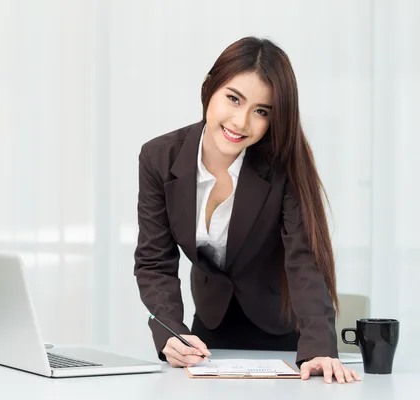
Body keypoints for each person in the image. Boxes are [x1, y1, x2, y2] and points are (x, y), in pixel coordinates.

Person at [133, 36, 360, 384]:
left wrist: (319, 347)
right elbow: (155, 262)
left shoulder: (282, 166)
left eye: (261, 111)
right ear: (210, 88)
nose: (241, 122)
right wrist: (169, 333)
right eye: (234, 99)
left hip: (282, 333)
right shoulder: (158, 158)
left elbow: (304, 260)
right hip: (207, 331)